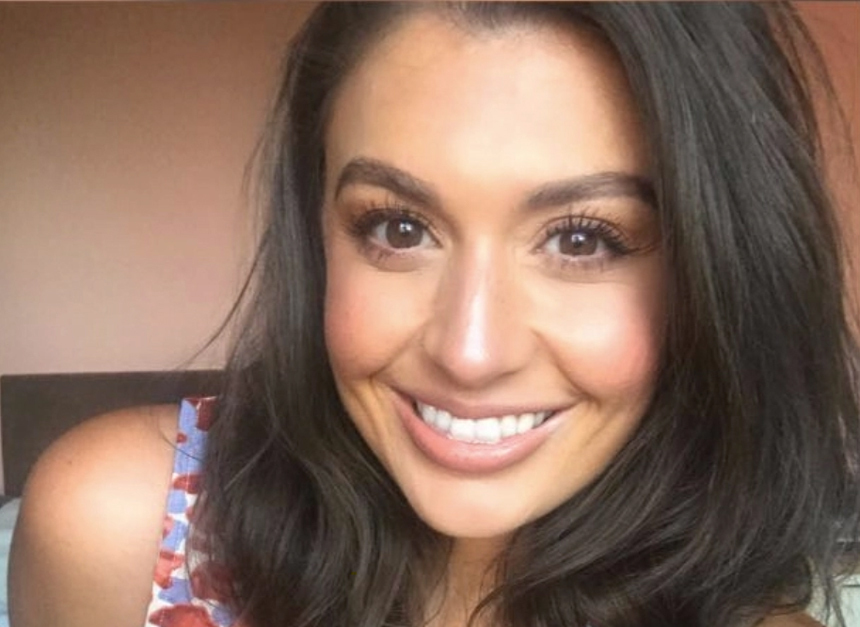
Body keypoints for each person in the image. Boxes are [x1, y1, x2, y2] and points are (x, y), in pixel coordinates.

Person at [9, 3, 860, 627]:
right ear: (318, 235)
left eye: (583, 240)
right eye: (398, 228)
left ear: (715, 275)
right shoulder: (121, 526)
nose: (469, 351)